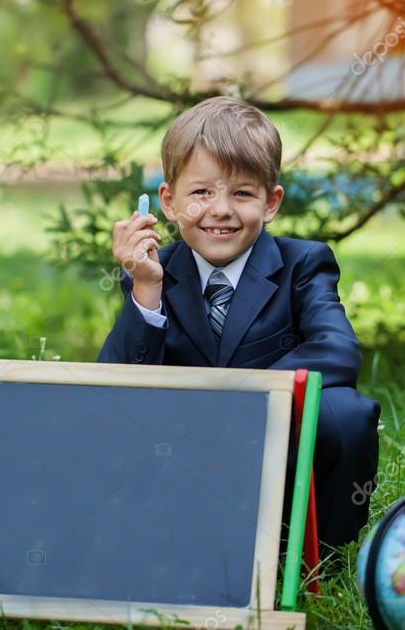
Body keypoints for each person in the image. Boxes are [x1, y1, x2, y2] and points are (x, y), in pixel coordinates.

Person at [98, 96, 380, 553]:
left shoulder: (302, 264)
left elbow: (338, 349)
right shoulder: (154, 272)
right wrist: (145, 292)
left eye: (242, 193)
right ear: (169, 202)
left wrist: (243, 397)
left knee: (344, 412)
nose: (221, 209)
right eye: (202, 192)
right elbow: (112, 386)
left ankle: (320, 559)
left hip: (273, 440)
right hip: (180, 458)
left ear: (271, 203)